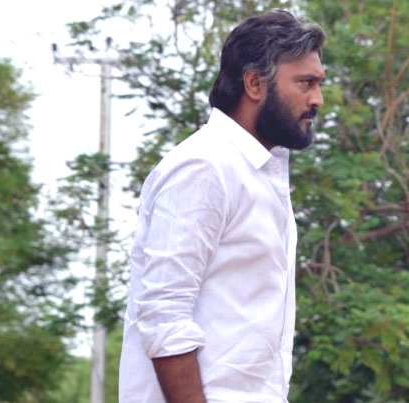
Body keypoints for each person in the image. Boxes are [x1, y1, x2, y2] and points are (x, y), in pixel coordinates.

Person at [119, 9, 325, 403]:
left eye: (319, 83)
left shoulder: (260, 171)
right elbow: (164, 315)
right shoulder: (205, 166)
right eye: (305, 83)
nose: (317, 99)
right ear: (254, 83)